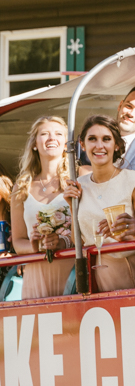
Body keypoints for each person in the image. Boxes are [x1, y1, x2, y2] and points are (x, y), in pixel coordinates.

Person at [63, 115, 135, 292]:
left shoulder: (134, 181)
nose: (99, 146)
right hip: (96, 274)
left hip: (131, 269)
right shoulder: (78, 184)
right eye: (92, 139)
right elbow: (79, 242)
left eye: (106, 139)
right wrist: (71, 206)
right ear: (82, 144)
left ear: (117, 145)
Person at [11, 117, 74, 299]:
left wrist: (63, 242)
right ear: (35, 144)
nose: (51, 138)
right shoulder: (22, 187)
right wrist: (35, 246)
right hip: (36, 272)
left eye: (58, 133)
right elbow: (18, 241)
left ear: (65, 144)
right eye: (44, 134)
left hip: (71, 268)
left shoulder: (79, 178)